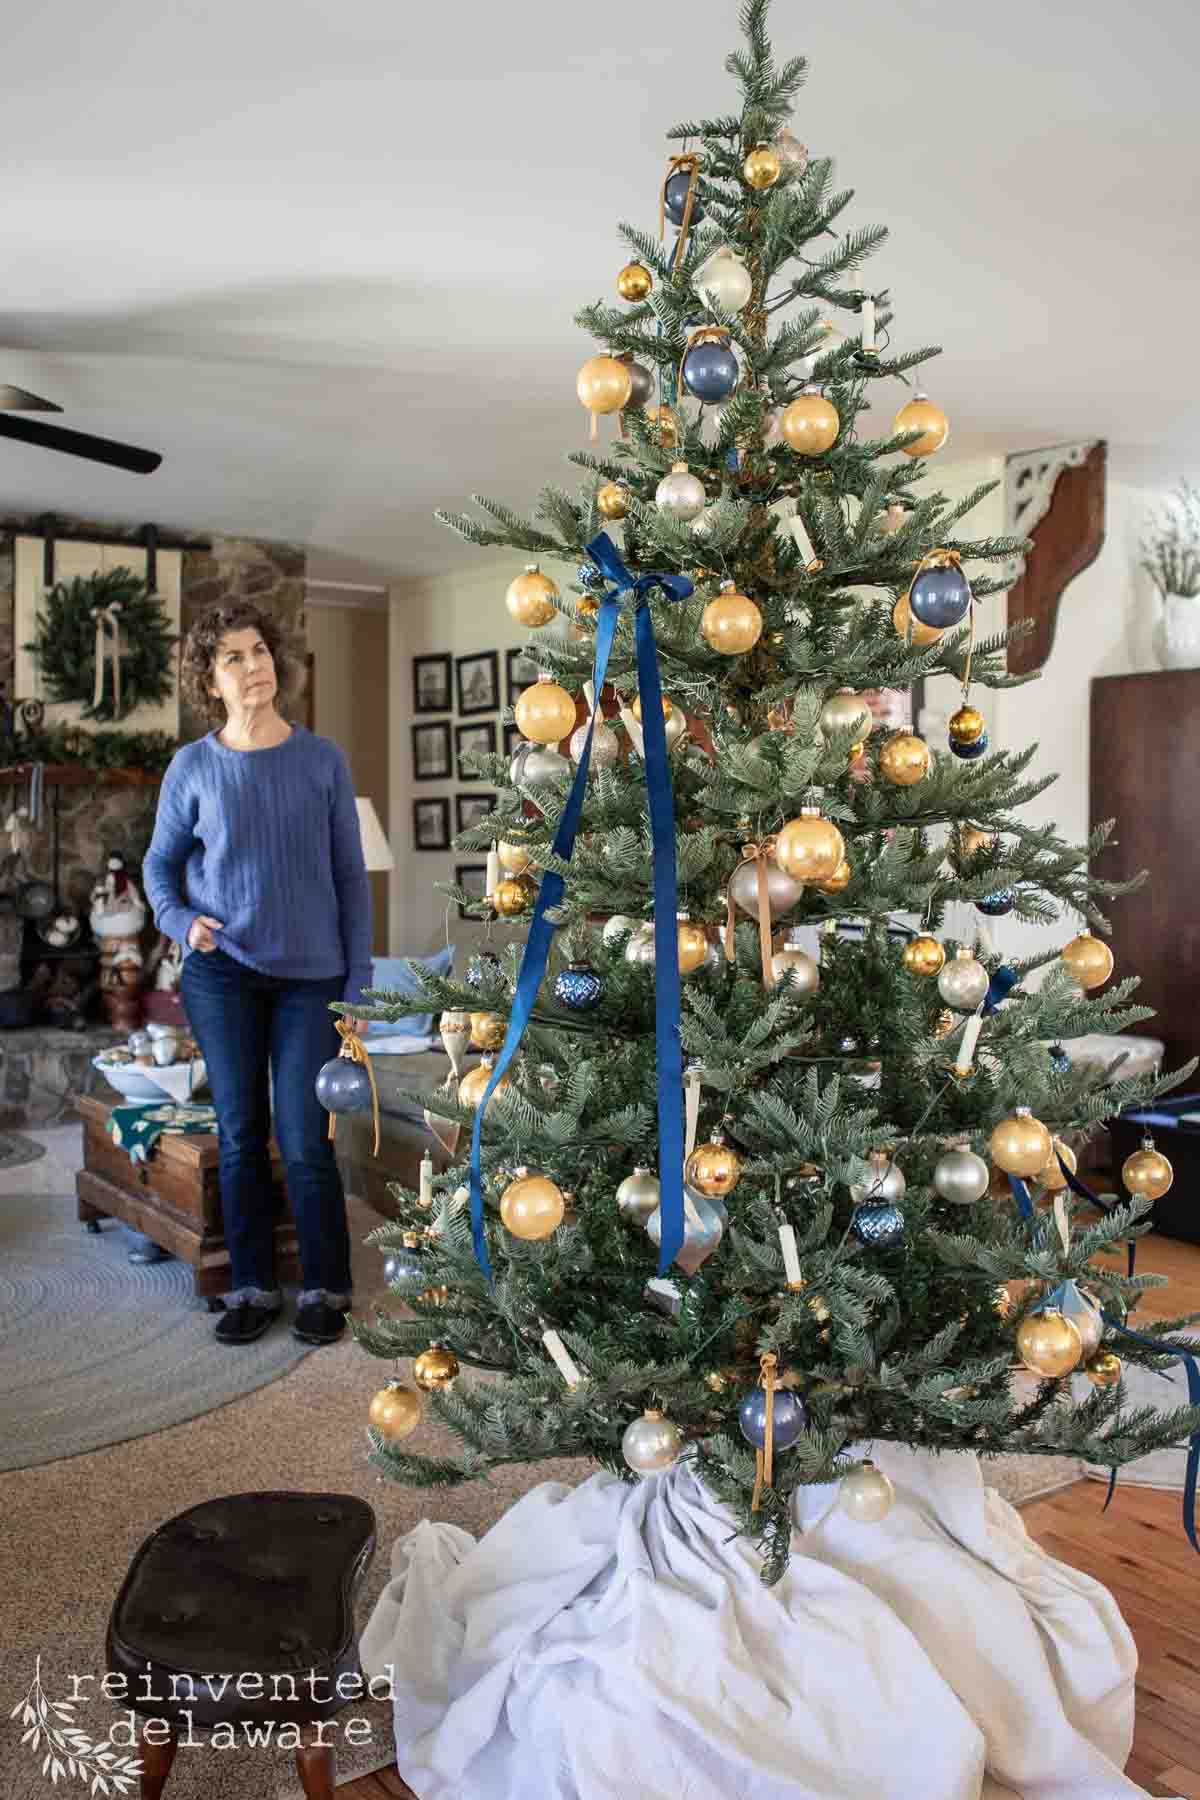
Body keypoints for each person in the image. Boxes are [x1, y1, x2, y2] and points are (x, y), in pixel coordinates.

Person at [143, 601, 371, 1347]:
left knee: (305, 1139)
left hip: (312, 979)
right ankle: (249, 1284)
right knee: (241, 1134)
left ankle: (327, 1287)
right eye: (234, 657)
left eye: (260, 650)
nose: (255, 665)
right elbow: (159, 868)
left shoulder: (322, 760)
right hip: (222, 974)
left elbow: (350, 880)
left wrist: (357, 990)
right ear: (209, 680)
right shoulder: (193, 767)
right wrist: (184, 924)